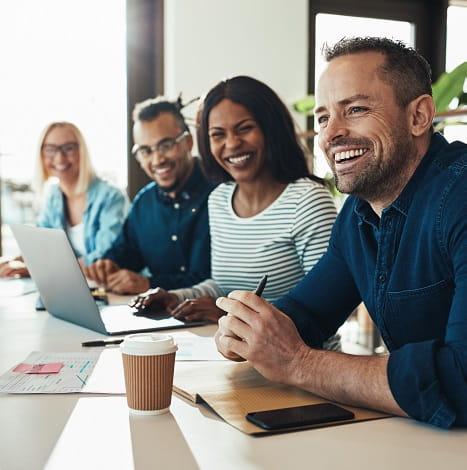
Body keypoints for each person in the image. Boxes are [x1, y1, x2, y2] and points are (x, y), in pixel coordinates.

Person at [214, 37, 467, 428]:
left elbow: (460, 379)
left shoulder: (459, 197)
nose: (332, 134)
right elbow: (308, 312)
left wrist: (299, 363)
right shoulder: (358, 212)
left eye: (356, 109)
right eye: (322, 118)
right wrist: (251, 328)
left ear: (419, 116)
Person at [130, 76, 338, 347]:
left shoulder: (307, 200)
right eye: (218, 134)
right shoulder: (219, 199)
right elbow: (222, 285)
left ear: (270, 130)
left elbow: (324, 310)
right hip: (237, 359)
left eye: (245, 128)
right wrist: (175, 297)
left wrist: (229, 316)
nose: (231, 143)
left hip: (302, 367)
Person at [83, 97, 216, 294]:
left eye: (166, 146)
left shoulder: (221, 194)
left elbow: (216, 280)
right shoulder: (144, 202)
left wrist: (150, 284)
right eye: (145, 151)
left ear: (188, 142)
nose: (157, 159)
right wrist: (109, 264)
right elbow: (127, 251)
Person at [0, 121, 127, 277]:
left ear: (82, 151)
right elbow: (41, 247)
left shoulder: (110, 197)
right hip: (72, 287)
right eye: (50, 150)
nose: (59, 158)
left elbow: (103, 258)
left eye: (68, 148)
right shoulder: (53, 196)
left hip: (112, 289)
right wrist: (13, 262)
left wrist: (38, 269)